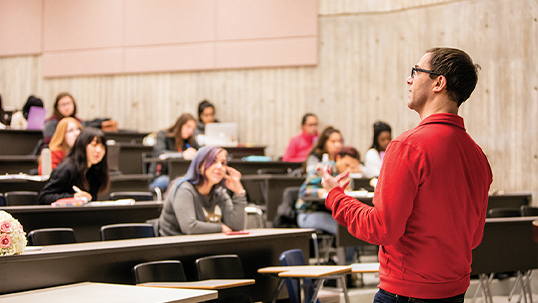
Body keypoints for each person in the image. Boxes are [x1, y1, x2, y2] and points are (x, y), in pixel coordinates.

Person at [318, 48, 492, 301]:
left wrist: (336, 196)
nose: (409, 79)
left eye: (416, 71)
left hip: (406, 292)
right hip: (454, 291)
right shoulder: (477, 156)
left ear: (438, 83)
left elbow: (382, 228)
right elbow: (473, 237)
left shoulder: (408, 147)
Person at [158, 146, 247, 236]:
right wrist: (221, 228)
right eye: (213, 161)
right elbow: (190, 227)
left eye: (223, 163)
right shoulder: (183, 189)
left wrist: (239, 192)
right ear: (200, 166)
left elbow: (237, 227)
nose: (219, 166)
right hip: (174, 246)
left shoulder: (219, 193)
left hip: (204, 246)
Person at [38, 127, 109, 205]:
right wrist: (73, 197)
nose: (99, 150)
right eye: (94, 145)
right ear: (82, 145)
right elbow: (44, 197)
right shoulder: (67, 168)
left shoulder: (95, 170)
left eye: (102, 146)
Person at [149, 113, 200, 192]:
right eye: (188, 127)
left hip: (183, 176)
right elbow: (159, 153)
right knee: (178, 183)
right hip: (163, 175)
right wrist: (182, 155)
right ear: (180, 125)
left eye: (192, 129)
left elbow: (201, 151)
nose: (190, 131)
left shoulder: (189, 141)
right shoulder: (164, 135)